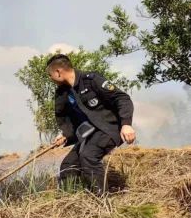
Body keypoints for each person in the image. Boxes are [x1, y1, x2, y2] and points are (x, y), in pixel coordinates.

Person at [47, 54, 136, 193]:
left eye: (50, 74)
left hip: (109, 128)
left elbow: (122, 99)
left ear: (58, 72)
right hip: (90, 133)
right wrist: (65, 135)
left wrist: (126, 124)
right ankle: (67, 200)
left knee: (88, 156)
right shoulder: (63, 93)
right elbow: (67, 119)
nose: (50, 78)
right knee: (68, 165)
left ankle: (101, 201)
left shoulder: (91, 80)